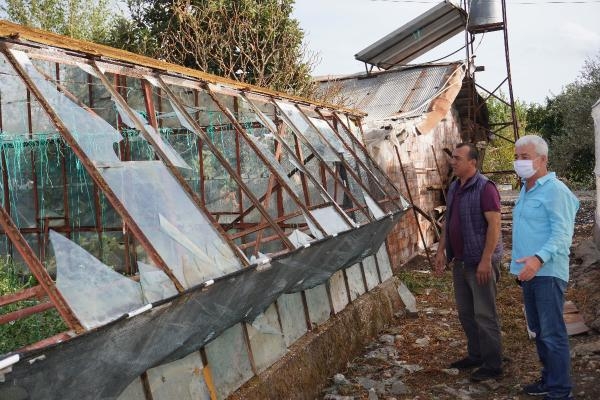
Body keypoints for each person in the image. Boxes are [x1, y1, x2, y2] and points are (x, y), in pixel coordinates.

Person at [511, 135, 579, 400]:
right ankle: (550, 380)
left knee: (552, 333)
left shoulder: (555, 190)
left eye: (524, 157)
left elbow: (563, 235)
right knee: (539, 331)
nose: (519, 162)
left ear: (543, 159)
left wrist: (538, 259)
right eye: (517, 157)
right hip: (529, 273)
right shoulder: (527, 190)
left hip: (547, 272)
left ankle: (561, 391)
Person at [434, 142, 503, 382]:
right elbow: (448, 222)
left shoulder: (486, 188)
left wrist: (486, 260)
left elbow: (495, 226)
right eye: (452, 157)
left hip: (480, 263)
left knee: (485, 315)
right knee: (466, 313)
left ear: (472, 163)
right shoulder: (454, 187)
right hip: (461, 261)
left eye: (458, 158)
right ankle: (476, 355)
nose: (453, 161)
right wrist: (441, 250)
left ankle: (494, 364)